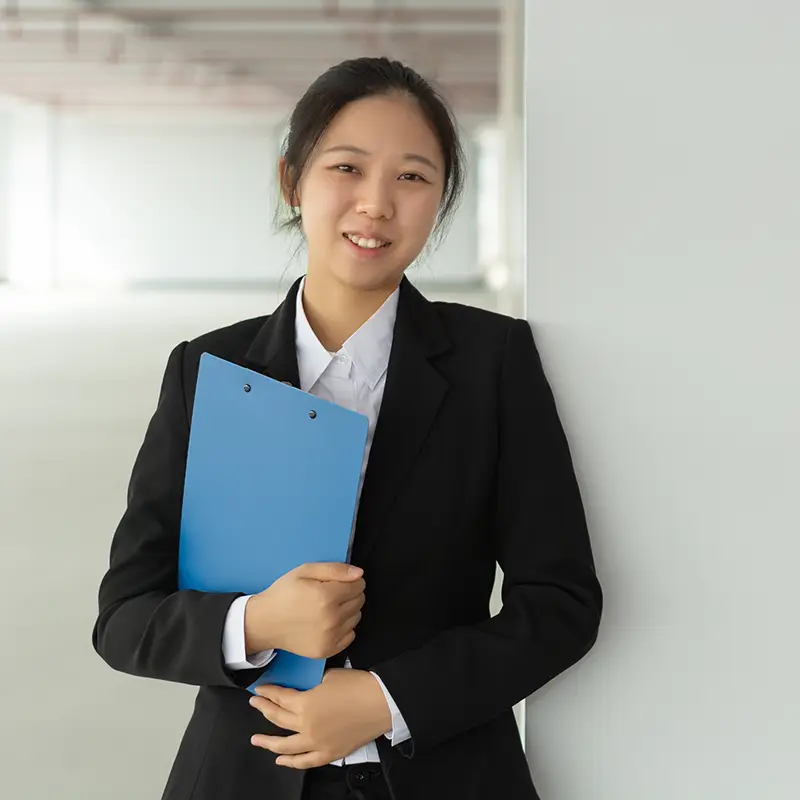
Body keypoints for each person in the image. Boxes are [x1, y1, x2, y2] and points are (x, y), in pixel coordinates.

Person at [92, 57, 602, 800]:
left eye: (413, 177)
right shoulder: (205, 368)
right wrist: (257, 621)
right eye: (346, 167)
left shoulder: (495, 362)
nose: (375, 204)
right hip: (242, 777)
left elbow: (559, 602)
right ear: (292, 181)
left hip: (443, 774)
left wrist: (387, 699)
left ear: (441, 202)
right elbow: (126, 616)